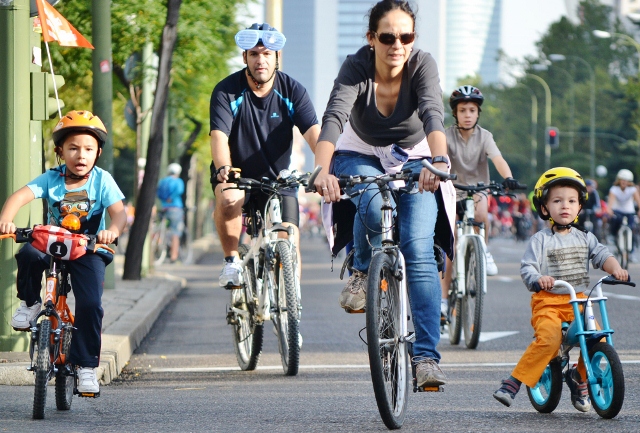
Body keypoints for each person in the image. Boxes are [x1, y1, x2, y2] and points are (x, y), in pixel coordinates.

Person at [313, 0, 456, 388]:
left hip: (416, 156)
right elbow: (333, 117)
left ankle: (426, 358)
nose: (397, 44)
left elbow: (432, 112)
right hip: (359, 152)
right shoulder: (356, 66)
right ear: (372, 38)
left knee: (418, 247)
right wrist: (322, 169)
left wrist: (439, 160)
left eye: (405, 36)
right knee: (373, 208)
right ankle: (362, 269)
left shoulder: (421, 64)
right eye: (388, 36)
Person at [0, 110, 127, 394]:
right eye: (73, 148)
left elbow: (119, 214)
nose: (80, 155)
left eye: (88, 149)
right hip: (54, 243)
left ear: (98, 153)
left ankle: (85, 367)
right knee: (29, 254)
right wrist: (6, 219)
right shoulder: (51, 178)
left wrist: (113, 231)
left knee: (91, 304)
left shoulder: (102, 180)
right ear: (60, 151)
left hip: (89, 248)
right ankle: (32, 303)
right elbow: (19, 196)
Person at [492, 167, 628, 411]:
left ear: (579, 207)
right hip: (548, 302)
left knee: (598, 336)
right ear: (544, 208)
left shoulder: (585, 237)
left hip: (579, 301)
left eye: (571, 201)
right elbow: (528, 268)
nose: (565, 206)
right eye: (557, 201)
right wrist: (538, 278)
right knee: (549, 339)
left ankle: (579, 377)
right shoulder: (540, 240)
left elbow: (602, 255)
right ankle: (515, 380)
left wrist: (616, 269)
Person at [210, 23, 320, 288]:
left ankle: (292, 312)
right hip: (237, 176)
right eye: (255, 54)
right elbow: (219, 137)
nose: (261, 60)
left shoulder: (293, 91)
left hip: (279, 180)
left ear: (277, 58)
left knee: (289, 237)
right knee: (228, 198)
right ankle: (231, 262)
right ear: (245, 58)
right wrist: (224, 167)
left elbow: (315, 135)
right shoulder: (227, 91)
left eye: (267, 53)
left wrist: (329, 167)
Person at [606, 169, 640, 255]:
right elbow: (610, 202)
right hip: (618, 210)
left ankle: (630, 251)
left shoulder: (632, 189)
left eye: (626, 180)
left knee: (631, 228)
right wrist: (609, 210)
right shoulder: (614, 189)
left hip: (629, 211)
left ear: (629, 182)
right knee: (615, 221)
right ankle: (613, 236)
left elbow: (638, 201)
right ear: (619, 180)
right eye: (622, 179)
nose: (624, 182)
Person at [157, 162, 185, 263]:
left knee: (162, 227)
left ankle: (158, 247)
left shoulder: (163, 181)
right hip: (176, 208)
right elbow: (179, 191)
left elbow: (158, 193)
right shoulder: (178, 181)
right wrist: (171, 198)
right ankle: (174, 256)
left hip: (164, 208)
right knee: (175, 232)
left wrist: (165, 199)